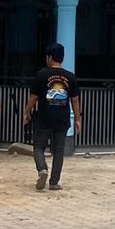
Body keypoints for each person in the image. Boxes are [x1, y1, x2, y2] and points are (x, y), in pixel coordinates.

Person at [24, 43, 81, 192]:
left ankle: (42, 169)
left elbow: (34, 97)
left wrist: (26, 112)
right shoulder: (70, 77)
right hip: (62, 119)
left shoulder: (42, 74)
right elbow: (74, 100)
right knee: (59, 150)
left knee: (38, 146)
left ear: (49, 57)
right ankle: (54, 183)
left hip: (44, 118)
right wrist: (77, 119)